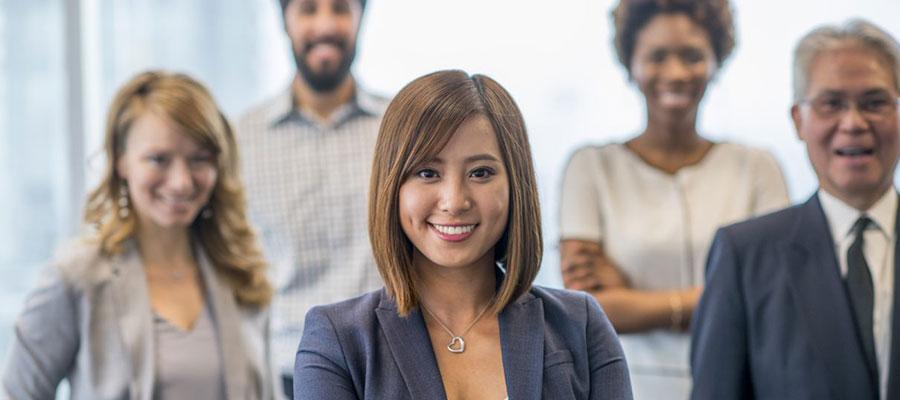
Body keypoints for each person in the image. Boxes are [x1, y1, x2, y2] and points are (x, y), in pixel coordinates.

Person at [293, 70, 633, 399]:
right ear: (392, 186)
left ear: (516, 184)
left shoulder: (581, 326)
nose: (454, 201)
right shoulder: (336, 340)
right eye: (427, 172)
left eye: (481, 172)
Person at [558, 0, 790, 397]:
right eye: (657, 56)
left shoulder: (757, 168)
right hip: (626, 385)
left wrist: (635, 300)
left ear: (717, 61)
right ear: (630, 63)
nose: (677, 72)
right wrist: (724, 295)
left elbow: (777, 299)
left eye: (693, 56)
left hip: (742, 383)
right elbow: (590, 308)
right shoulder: (591, 167)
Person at [1, 71, 273, 399]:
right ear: (121, 161)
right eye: (159, 159)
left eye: (199, 159)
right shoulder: (76, 277)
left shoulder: (242, 273)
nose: (181, 183)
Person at [691, 19, 900, 400]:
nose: (853, 123)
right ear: (799, 120)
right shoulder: (745, 255)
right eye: (831, 104)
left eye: (875, 103)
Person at [235, 0, 387, 395]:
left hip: (390, 359)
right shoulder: (241, 140)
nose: (325, 24)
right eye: (307, 9)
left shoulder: (400, 129)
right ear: (284, 21)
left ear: (361, 18)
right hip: (286, 371)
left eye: (340, 8)